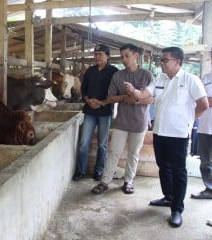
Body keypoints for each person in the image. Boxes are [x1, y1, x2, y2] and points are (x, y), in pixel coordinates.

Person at [123, 47, 209, 228]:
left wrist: (189, 120)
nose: (161, 63)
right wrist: (134, 91)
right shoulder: (159, 79)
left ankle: (177, 208)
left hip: (178, 134)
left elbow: (203, 105)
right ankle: (168, 197)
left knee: (179, 171)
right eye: (160, 60)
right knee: (164, 167)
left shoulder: (190, 80)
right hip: (160, 132)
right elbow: (144, 94)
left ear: (177, 61)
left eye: (165, 60)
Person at [91, 44, 153, 194]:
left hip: (139, 121)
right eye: (122, 56)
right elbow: (111, 97)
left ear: (136, 55)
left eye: (127, 56)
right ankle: (105, 181)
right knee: (114, 152)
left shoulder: (146, 75)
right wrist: (125, 97)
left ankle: (128, 181)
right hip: (121, 121)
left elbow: (152, 99)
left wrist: (137, 99)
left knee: (134, 153)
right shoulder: (118, 76)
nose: (124, 59)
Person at [72, 44, 118, 181]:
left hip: (105, 112)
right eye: (95, 54)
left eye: (100, 54)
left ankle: (99, 170)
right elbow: (83, 90)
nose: (97, 57)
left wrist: (102, 102)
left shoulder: (114, 72)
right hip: (89, 111)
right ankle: (80, 170)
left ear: (107, 56)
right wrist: (88, 100)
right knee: (84, 142)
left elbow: (115, 92)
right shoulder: (90, 71)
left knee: (102, 144)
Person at [190, 52, 212, 200]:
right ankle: (209, 189)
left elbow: (205, 101)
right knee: (205, 161)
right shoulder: (206, 78)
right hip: (205, 126)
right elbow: (199, 101)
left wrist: (205, 101)